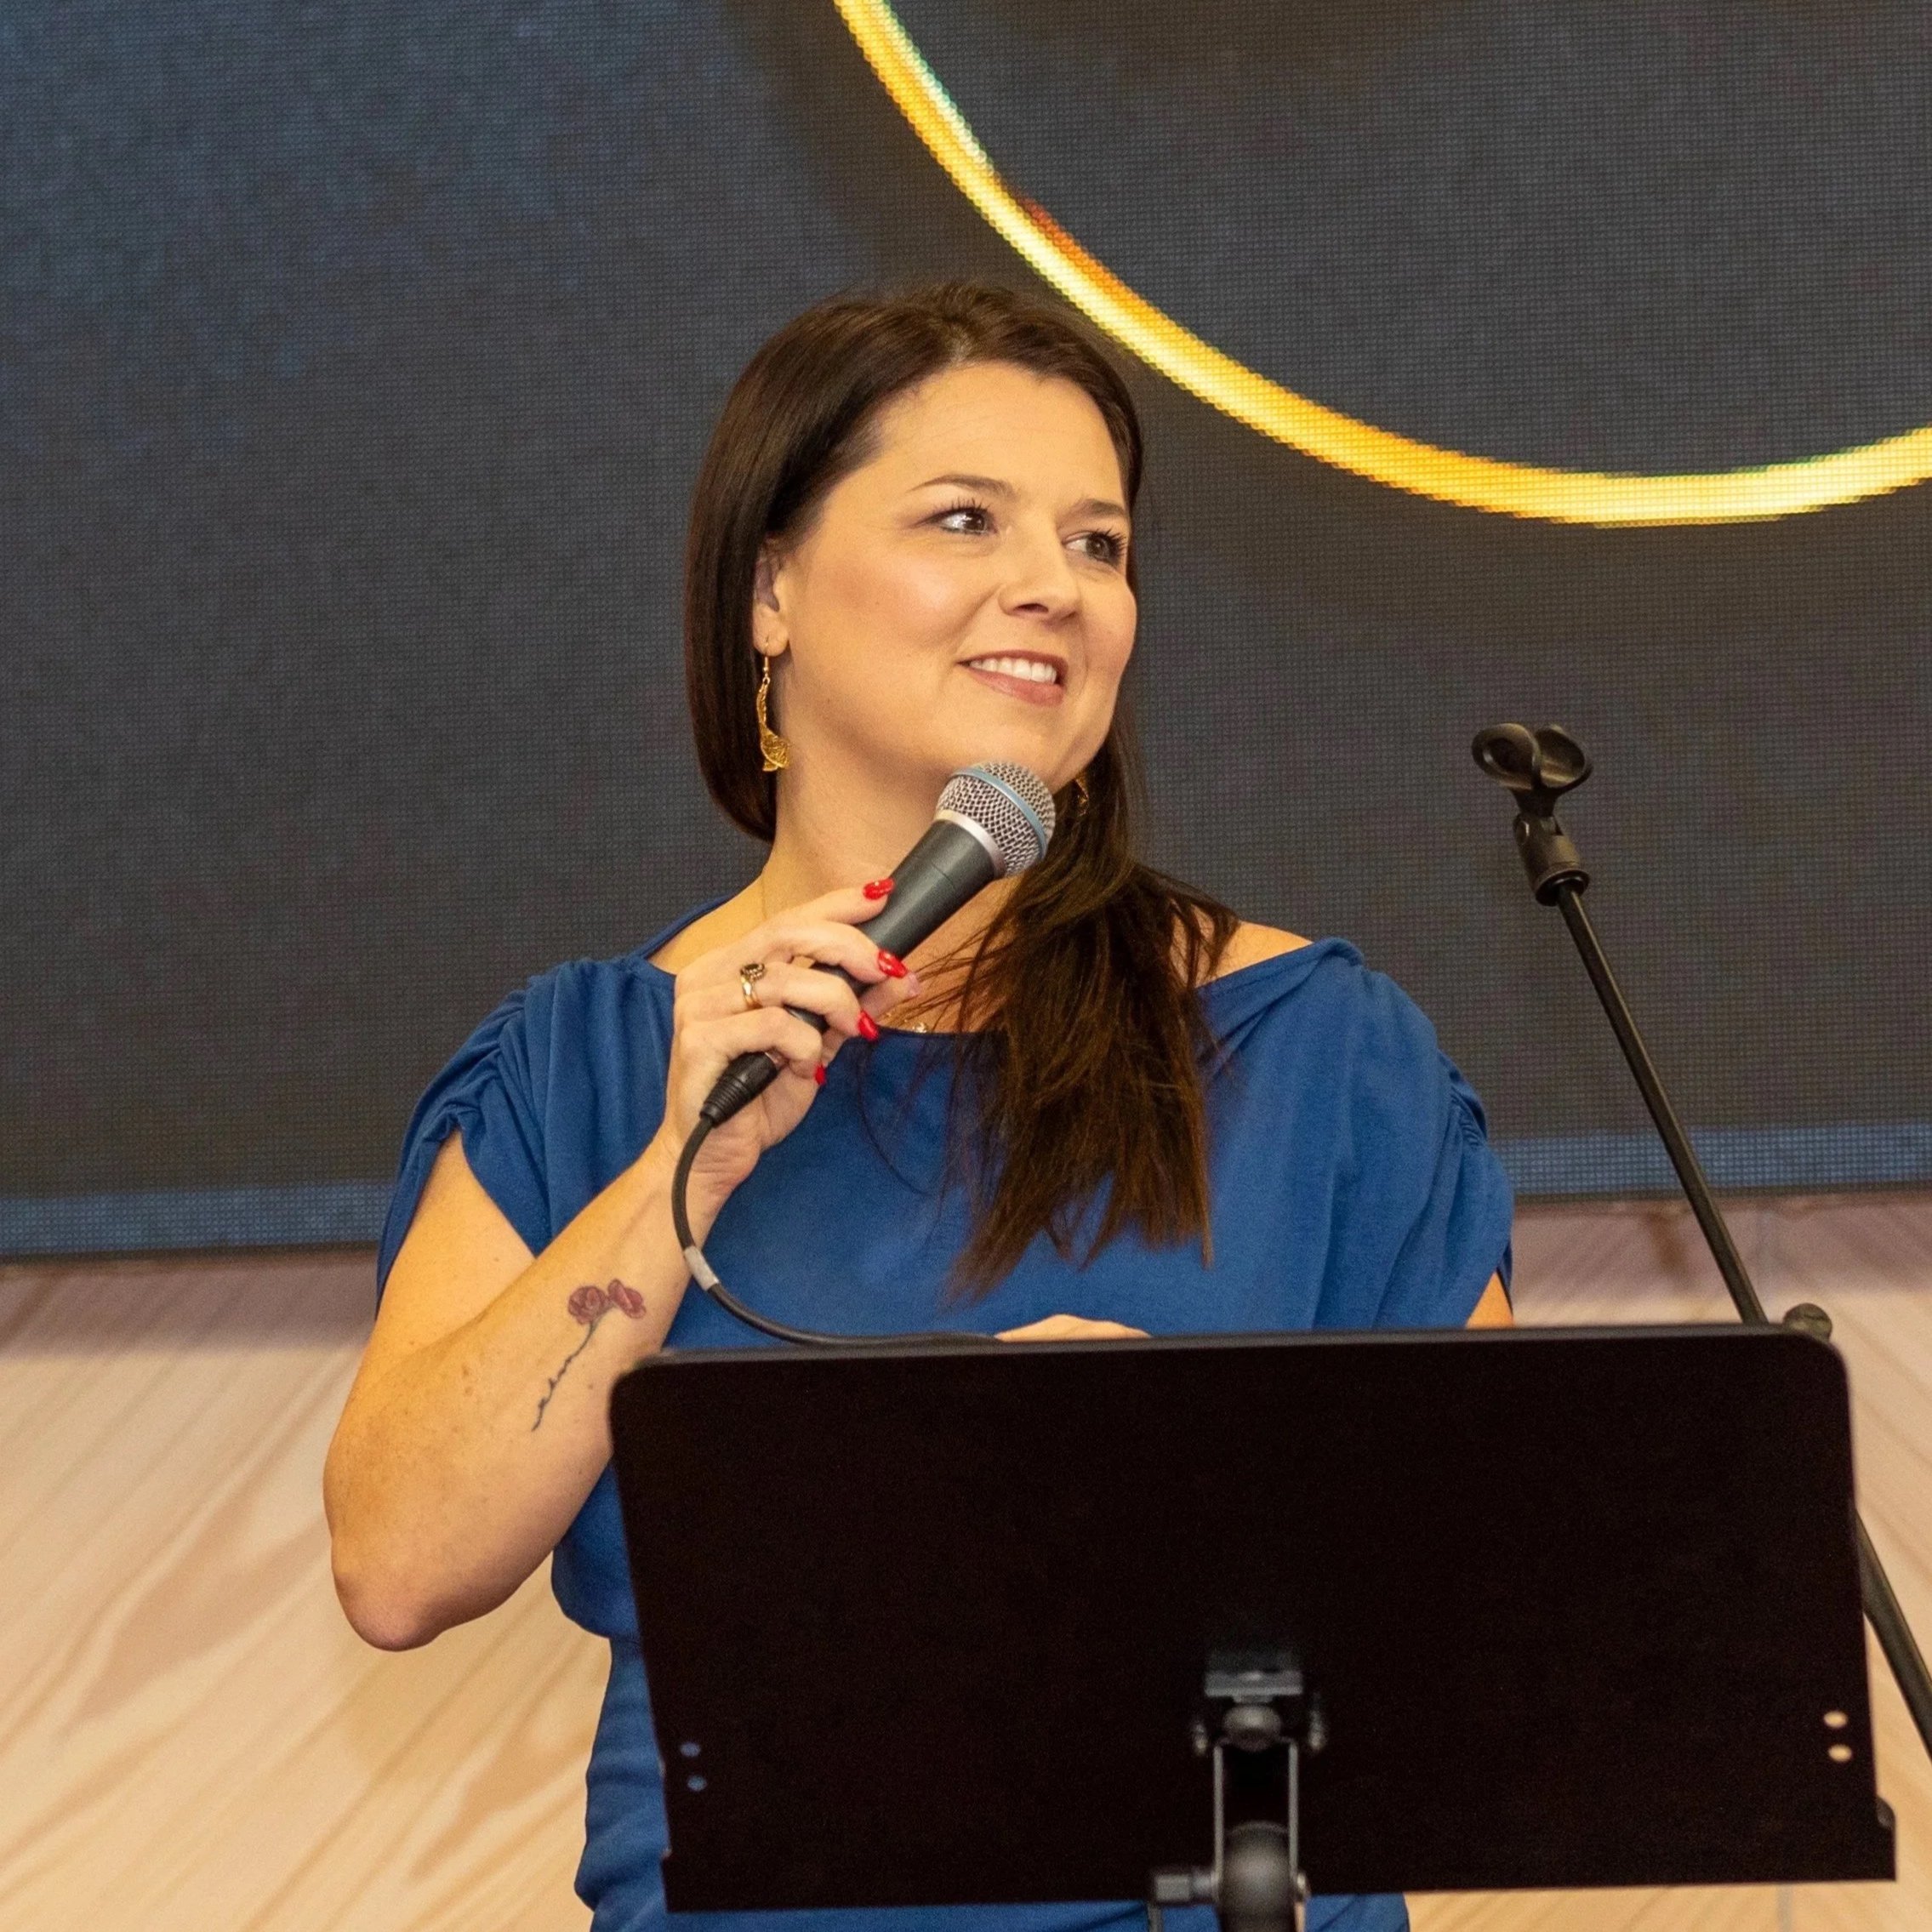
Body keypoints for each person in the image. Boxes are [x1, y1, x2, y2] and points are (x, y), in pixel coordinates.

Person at [323, 281, 1513, 1932]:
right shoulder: (585, 1063)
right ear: (771, 591)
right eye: (967, 519)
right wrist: (678, 1170)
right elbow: (397, 1563)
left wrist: (1175, 1484)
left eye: (1098, 543)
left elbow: (1503, 1607)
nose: (1057, 586)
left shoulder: (1315, 1053)